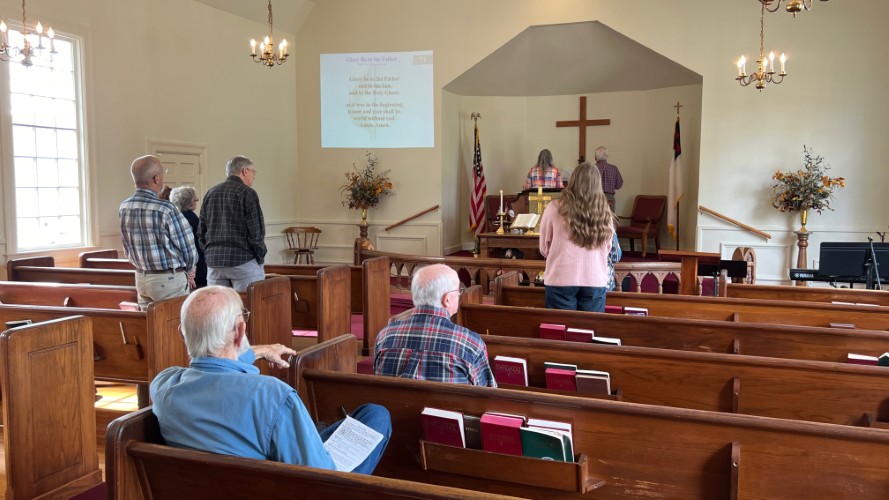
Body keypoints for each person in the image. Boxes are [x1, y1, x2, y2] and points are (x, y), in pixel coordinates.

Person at [150, 286, 391, 474]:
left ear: (182, 333)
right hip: (308, 487)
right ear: (240, 331)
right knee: (377, 415)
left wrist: (259, 351)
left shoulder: (164, 385)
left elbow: (216, 366)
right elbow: (320, 476)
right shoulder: (273, 395)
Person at [374, 264, 496, 387]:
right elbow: (487, 392)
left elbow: (377, 383)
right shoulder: (470, 343)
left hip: (393, 400)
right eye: (458, 292)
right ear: (447, 299)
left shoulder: (384, 336)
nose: (459, 295)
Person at [119, 155, 197, 309]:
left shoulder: (125, 206)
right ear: (156, 178)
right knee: (174, 321)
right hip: (168, 280)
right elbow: (187, 247)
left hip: (141, 277)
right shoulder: (166, 208)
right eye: (163, 172)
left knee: (149, 322)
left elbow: (127, 247)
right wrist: (190, 270)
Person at [538, 162, 614, 312]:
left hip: (561, 277)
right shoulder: (605, 211)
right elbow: (608, 247)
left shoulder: (554, 207)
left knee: (561, 326)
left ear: (573, 180)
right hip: (594, 278)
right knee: (590, 327)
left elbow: (544, 248)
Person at [199, 155, 267, 292]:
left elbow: (201, 231)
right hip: (242, 260)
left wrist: (210, 254)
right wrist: (260, 260)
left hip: (214, 263)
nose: (254, 176)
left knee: (219, 305)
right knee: (249, 304)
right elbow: (256, 233)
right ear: (244, 171)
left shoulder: (210, 193)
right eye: (253, 172)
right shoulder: (248, 193)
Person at [170, 186, 207, 289]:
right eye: (195, 200)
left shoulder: (173, 217)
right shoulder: (191, 218)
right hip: (195, 265)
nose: (196, 202)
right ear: (189, 203)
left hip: (178, 266)